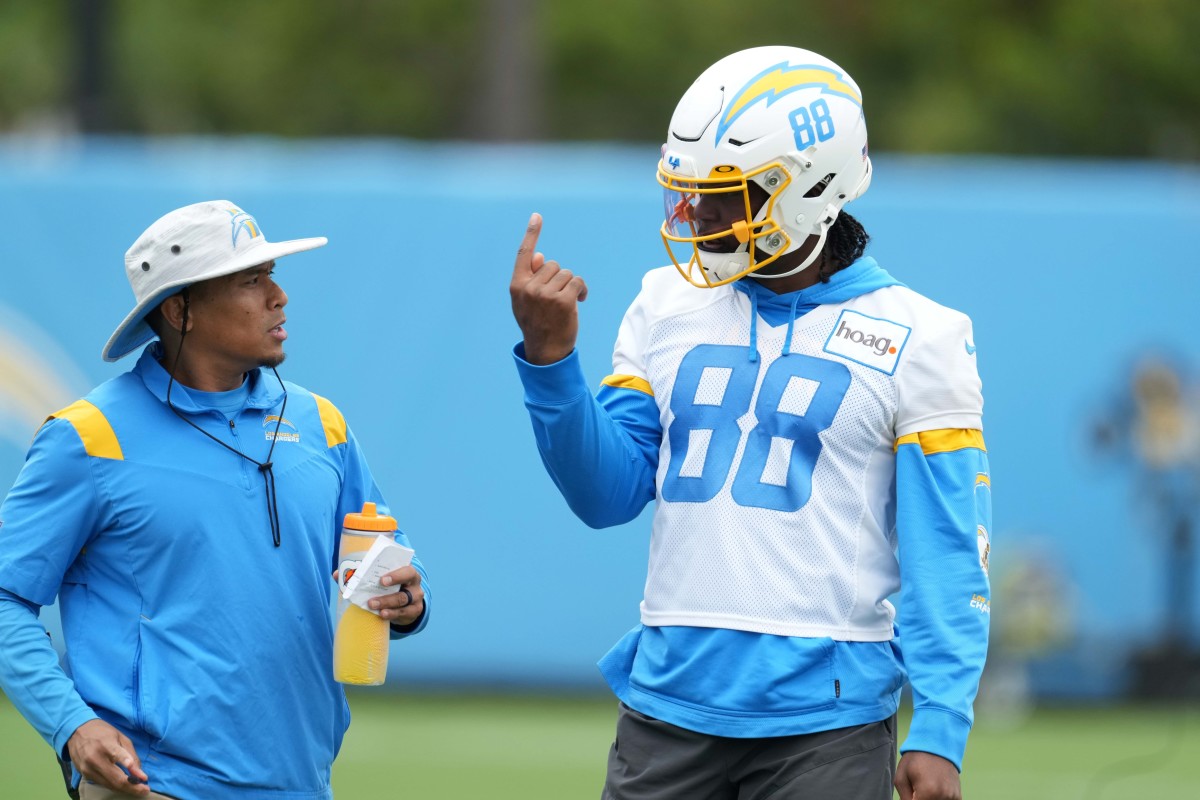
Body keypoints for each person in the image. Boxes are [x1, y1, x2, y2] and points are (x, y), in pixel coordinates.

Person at [509, 46, 990, 800]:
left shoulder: (921, 335)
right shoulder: (663, 302)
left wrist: (940, 721)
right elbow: (607, 496)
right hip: (668, 700)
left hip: (826, 721)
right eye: (692, 191)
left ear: (809, 189)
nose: (698, 214)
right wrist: (550, 359)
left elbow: (947, 551)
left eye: (726, 193)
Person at [0, 200, 430, 799]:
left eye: (273, 275)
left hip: (301, 782)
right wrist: (71, 725)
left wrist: (408, 598)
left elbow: (386, 555)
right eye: (251, 280)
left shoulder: (322, 424)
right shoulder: (88, 438)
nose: (279, 297)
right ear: (179, 310)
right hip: (152, 783)